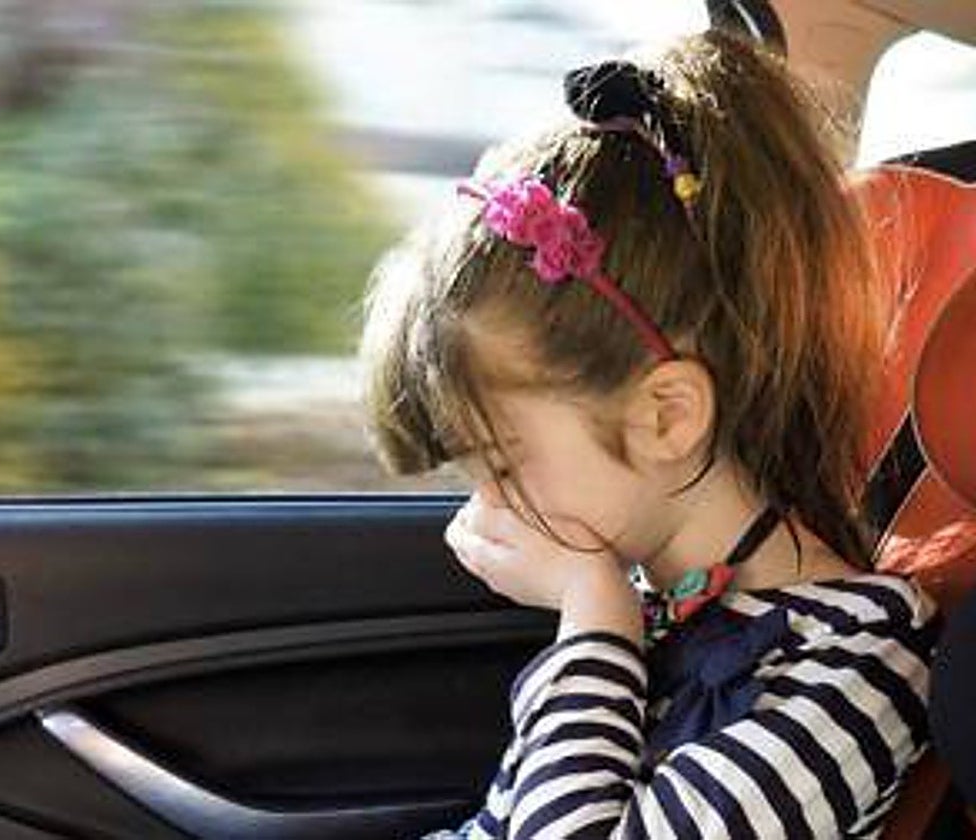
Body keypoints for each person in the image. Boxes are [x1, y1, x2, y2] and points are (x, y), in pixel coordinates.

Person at [358, 30, 940, 839]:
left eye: (501, 464)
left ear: (666, 416)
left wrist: (592, 619)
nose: (478, 511)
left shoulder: (853, 671)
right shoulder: (664, 611)